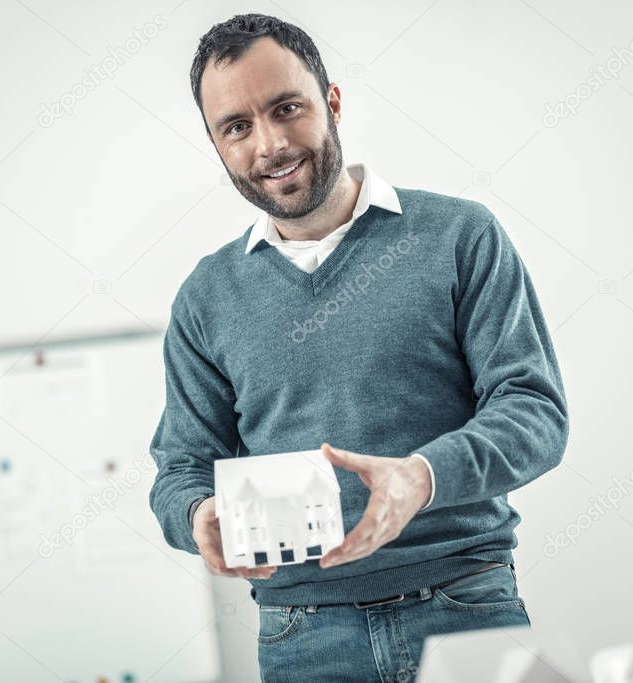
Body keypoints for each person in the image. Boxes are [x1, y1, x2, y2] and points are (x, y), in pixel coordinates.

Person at [148, 13, 570, 682]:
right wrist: (198, 514)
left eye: (286, 108)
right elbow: (181, 467)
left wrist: (421, 477)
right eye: (237, 126)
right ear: (216, 142)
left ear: (332, 102)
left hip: (463, 607)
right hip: (301, 637)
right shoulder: (206, 297)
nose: (270, 144)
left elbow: (534, 414)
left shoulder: (458, 236)